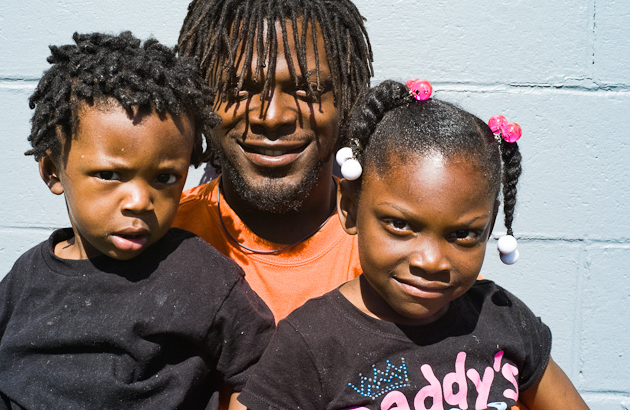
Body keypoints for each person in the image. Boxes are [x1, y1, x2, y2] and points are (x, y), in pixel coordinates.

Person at [0, 32, 275, 410]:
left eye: (164, 178)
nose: (140, 201)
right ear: (52, 172)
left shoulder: (202, 279)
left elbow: (263, 374)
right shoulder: (25, 281)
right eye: (110, 176)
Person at [238, 80, 589, 410]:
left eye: (463, 235)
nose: (431, 261)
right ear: (349, 208)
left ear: (490, 227)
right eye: (401, 225)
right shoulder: (311, 342)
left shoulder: (504, 318)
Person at [174, 0, 373, 321]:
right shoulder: (157, 239)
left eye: (306, 89)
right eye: (238, 88)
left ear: (347, 101)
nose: (271, 116)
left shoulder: (396, 250)